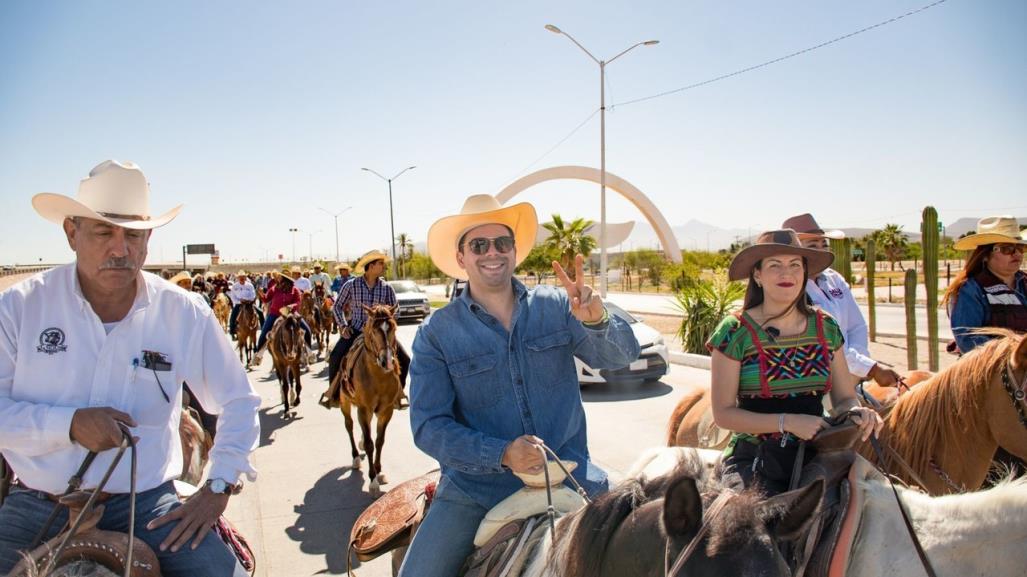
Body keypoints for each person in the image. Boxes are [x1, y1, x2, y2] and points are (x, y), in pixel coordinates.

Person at [0, 160, 260, 576]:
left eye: (134, 235)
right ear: (72, 232)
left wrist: (218, 486)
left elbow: (239, 401)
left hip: (145, 502)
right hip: (35, 502)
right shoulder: (19, 308)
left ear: (148, 239)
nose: (120, 249)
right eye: (104, 232)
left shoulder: (182, 312)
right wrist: (67, 424)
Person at [396, 195, 640, 577]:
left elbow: (620, 356)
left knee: (652, 549)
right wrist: (503, 453)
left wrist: (597, 320)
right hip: (475, 489)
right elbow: (429, 427)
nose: (492, 252)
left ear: (514, 251)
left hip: (573, 475)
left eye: (502, 243)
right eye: (479, 245)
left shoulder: (559, 307)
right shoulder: (437, 333)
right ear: (461, 257)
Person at [709, 229, 883, 496]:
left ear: (804, 272)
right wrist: (787, 422)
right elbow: (723, 414)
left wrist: (856, 412)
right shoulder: (734, 331)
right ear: (757, 275)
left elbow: (844, 398)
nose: (786, 274)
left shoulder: (826, 327)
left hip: (818, 451)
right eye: (774, 265)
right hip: (755, 457)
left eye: (794, 265)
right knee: (757, 530)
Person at [781, 213, 902, 387]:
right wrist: (869, 368)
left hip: (850, 374)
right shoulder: (791, 288)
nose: (822, 251)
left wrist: (858, 364)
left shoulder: (834, 279)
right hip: (815, 379)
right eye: (813, 246)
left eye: (824, 245)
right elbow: (824, 343)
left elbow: (856, 326)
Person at [322, 251, 408, 406]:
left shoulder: (386, 288)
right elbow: (338, 306)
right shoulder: (352, 285)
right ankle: (333, 394)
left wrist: (387, 324)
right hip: (355, 330)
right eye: (380, 263)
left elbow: (397, 310)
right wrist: (342, 326)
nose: (383, 266)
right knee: (335, 356)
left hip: (380, 334)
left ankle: (397, 395)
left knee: (405, 359)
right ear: (371, 266)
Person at [944, 215, 1027, 354]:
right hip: (993, 371)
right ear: (985, 255)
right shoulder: (971, 289)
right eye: (1007, 249)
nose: (1017, 254)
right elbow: (968, 339)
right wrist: (1016, 355)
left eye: (1020, 248)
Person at [252, 273, 316, 365]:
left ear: (287, 281)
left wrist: (290, 306)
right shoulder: (274, 289)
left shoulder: (295, 290)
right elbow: (266, 299)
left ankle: (309, 353)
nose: (279, 280)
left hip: (291, 313)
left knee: (307, 330)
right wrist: (261, 295)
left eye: (282, 279)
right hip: (275, 313)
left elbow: (298, 302)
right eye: (280, 279)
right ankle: (258, 355)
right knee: (264, 332)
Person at [227, 270, 264, 340]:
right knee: (233, 317)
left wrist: (249, 300)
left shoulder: (249, 285)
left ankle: (263, 330)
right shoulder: (235, 286)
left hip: (249, 304)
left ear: (245, 277)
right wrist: (239, 301)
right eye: (240, 277)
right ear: (238, 278)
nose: (241, 279)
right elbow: (233, 296)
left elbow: (253, 294)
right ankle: (232, 332)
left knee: (260, 312)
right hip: (239, 304)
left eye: (243, 277)